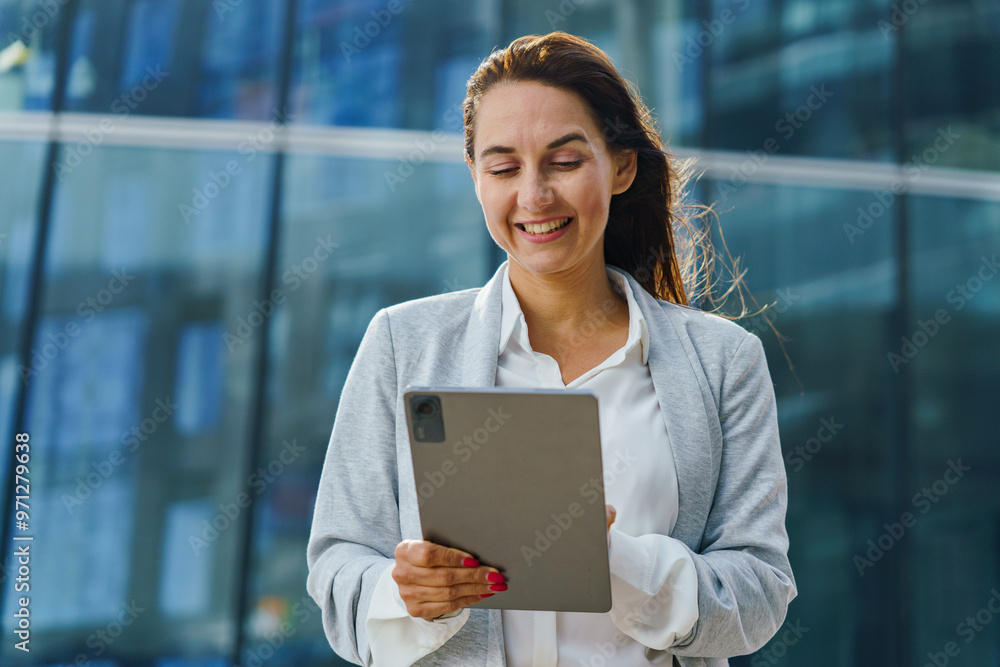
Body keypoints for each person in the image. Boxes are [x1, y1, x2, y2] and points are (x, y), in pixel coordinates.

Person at [307, 31, 796, 666]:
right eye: (504, 167)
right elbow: (337, 566)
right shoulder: (403, 344)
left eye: (564, 162)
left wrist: (611, 562)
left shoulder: (723, 361)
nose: (533, 196)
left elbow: (760, 592)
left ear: (621, 166)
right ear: (476, 178)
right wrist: (407, 596)